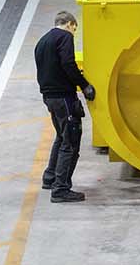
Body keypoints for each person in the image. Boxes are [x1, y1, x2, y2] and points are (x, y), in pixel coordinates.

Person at [34, 11, 95, 203]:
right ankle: (61, 188)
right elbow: (69, 64)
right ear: (69, 24)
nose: (73, 34)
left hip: (49, 97)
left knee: (61, 138)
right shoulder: (65, 37)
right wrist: (84, 85)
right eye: (74, 29)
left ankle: (50, 177)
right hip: (64, 98)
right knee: (70, 141)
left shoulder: (42, 41)